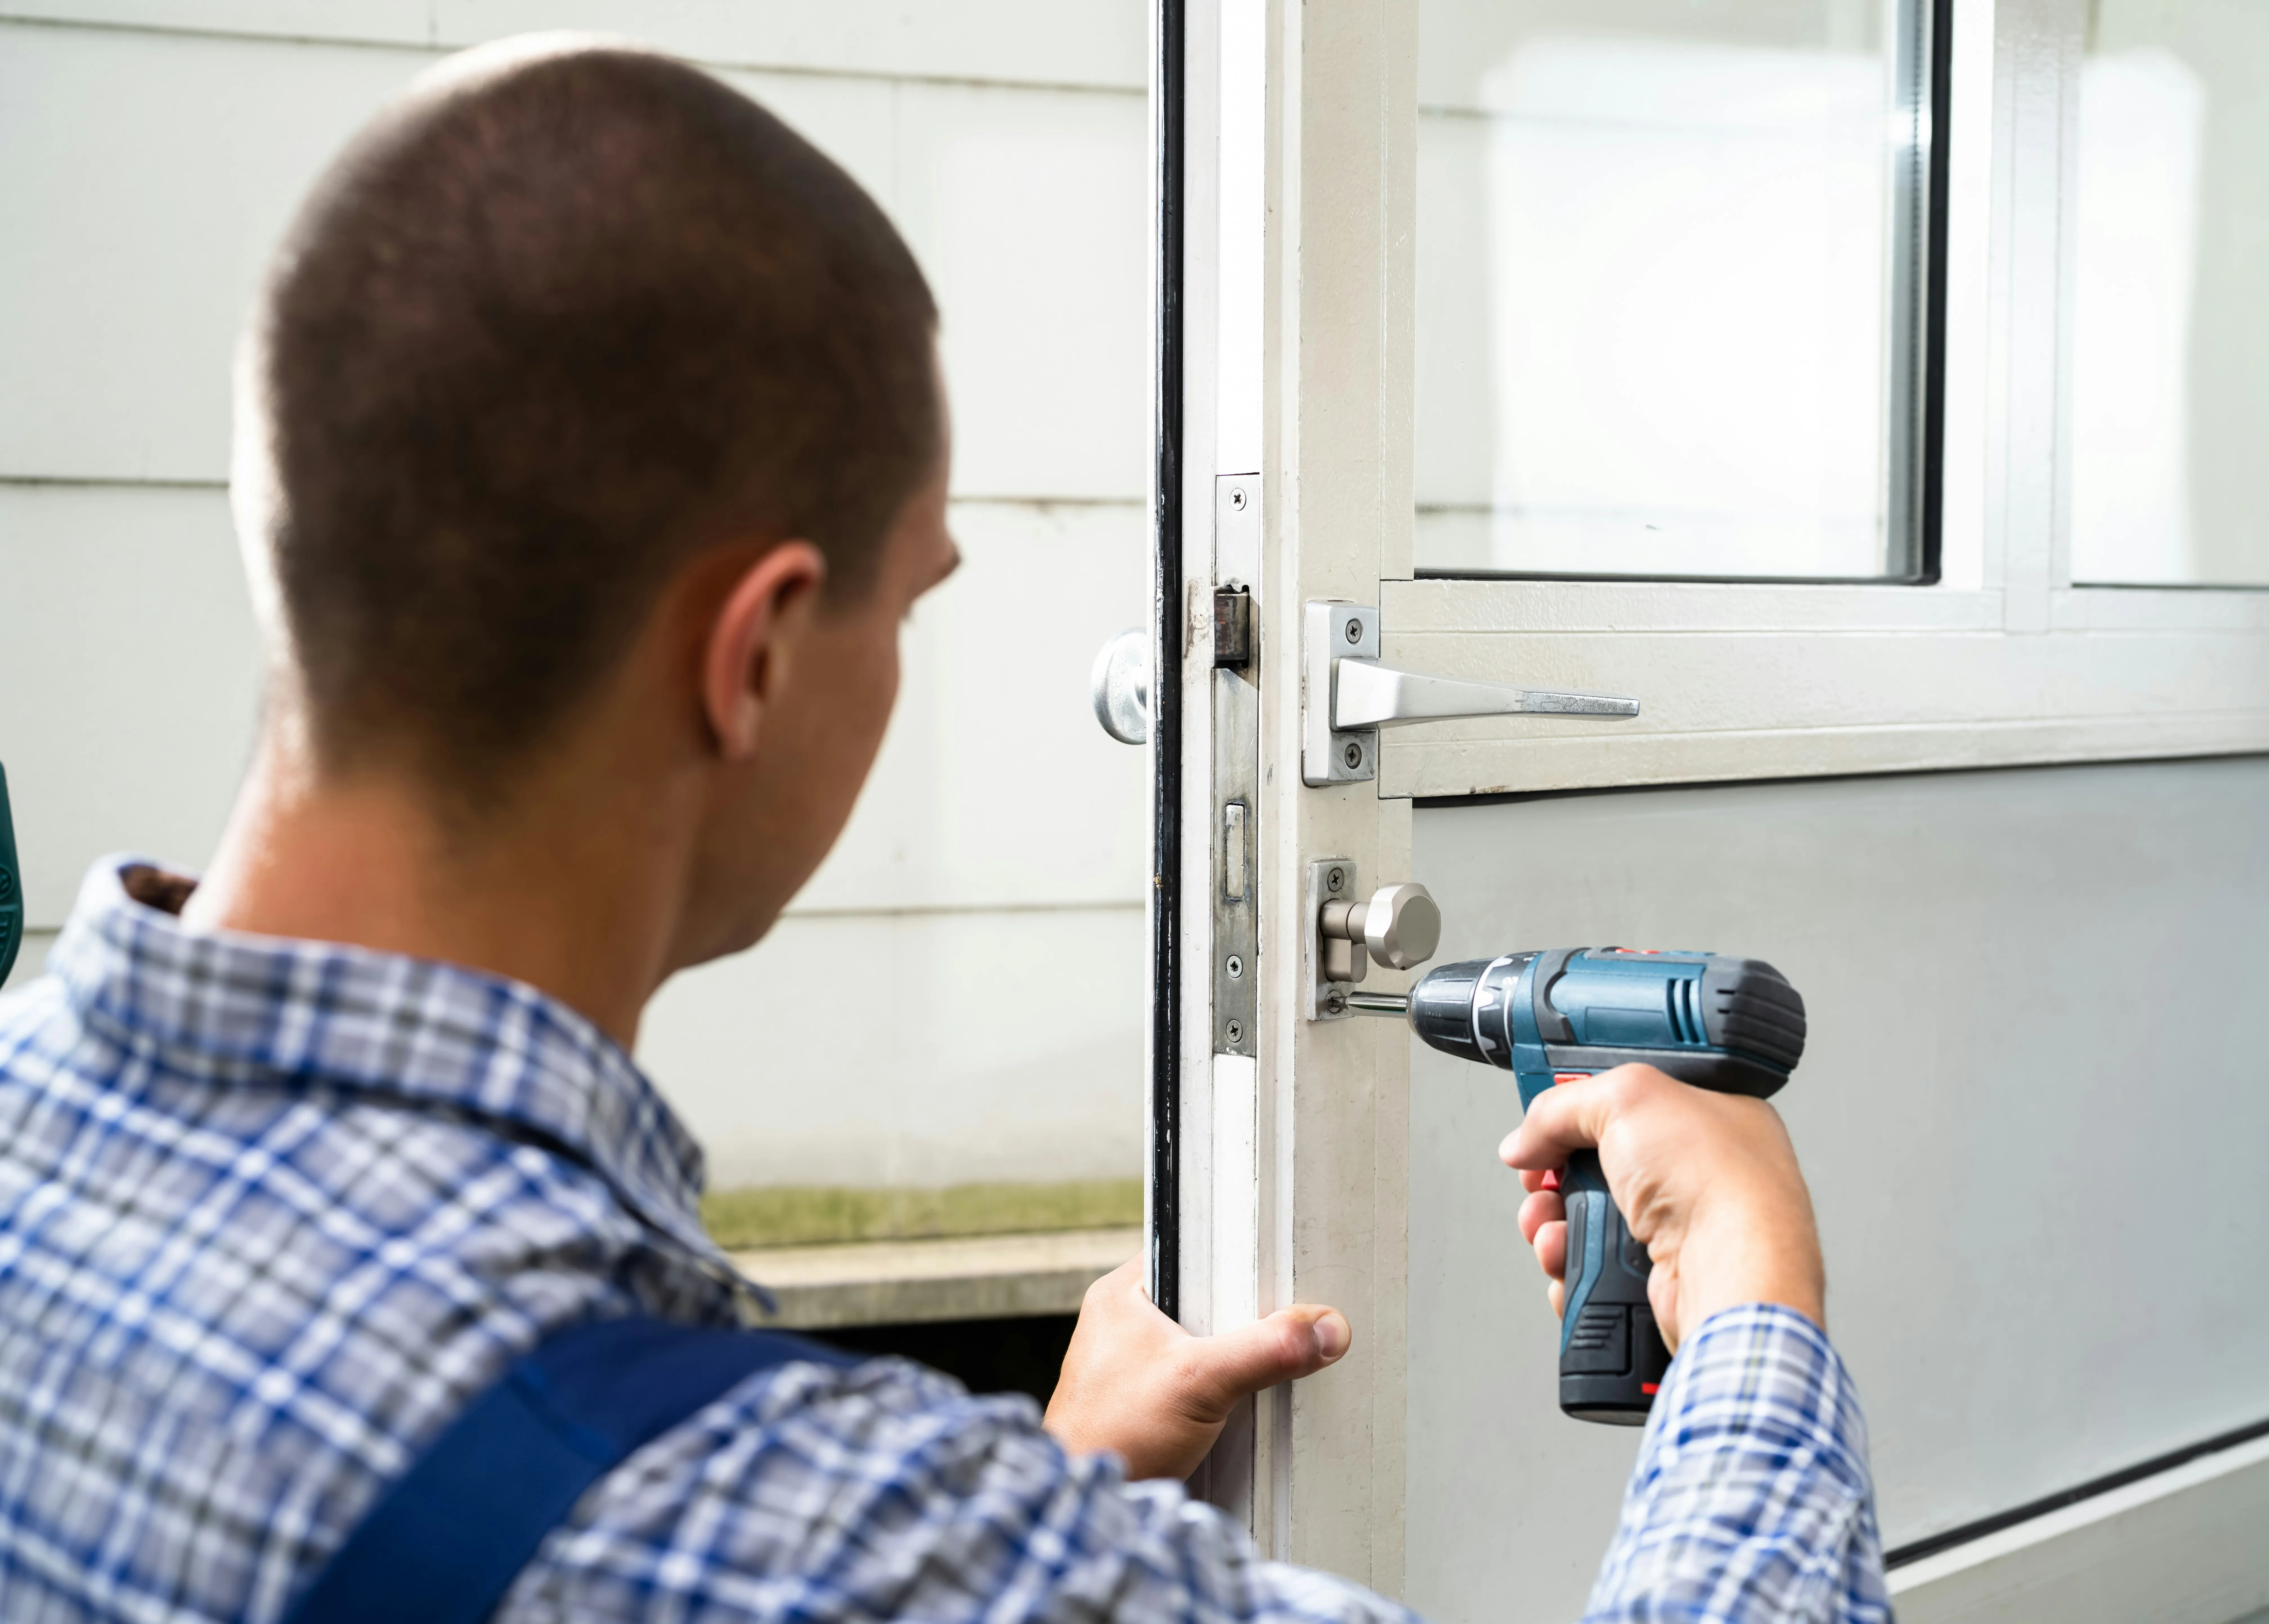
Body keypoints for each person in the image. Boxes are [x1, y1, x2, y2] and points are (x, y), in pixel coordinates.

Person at [0, 37, 1886, 1623]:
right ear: (748, 657)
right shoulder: (776, 1524)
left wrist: (1052, 1483)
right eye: (909, 602)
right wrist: (1750, 1297)